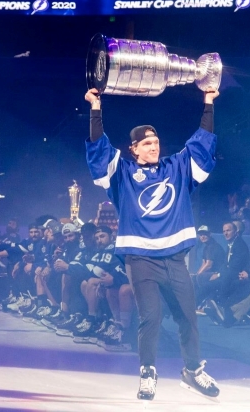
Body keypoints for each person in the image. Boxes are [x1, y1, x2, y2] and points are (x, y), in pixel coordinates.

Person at [84, 86, 220, 401]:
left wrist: (209, 101)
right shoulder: (122, 171)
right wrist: (95, 108)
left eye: (156, 141)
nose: (154, 146)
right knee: (151, 316)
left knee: (188, 315)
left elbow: (202, 144)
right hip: (140, 258)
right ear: (133, 149)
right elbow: (98, 150)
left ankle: (192, 371)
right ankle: (147, 373)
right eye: (147, 143)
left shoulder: (177, 167)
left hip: (175, 257)